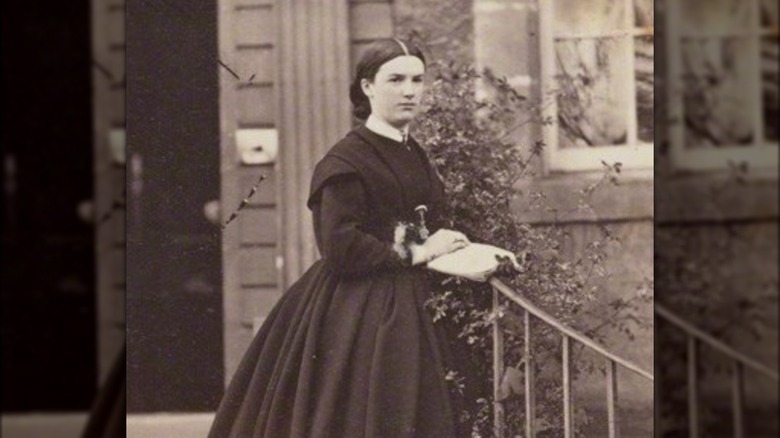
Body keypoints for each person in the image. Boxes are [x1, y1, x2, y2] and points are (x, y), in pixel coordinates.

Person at [208, 37, 471, 438]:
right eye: (396, 79)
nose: (409, 90)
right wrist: (418, 252)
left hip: (418, 300)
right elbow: (340, 246)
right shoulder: (347, 160)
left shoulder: (412, 150)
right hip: (362, 310)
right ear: (367, 86)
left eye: (417, 80)